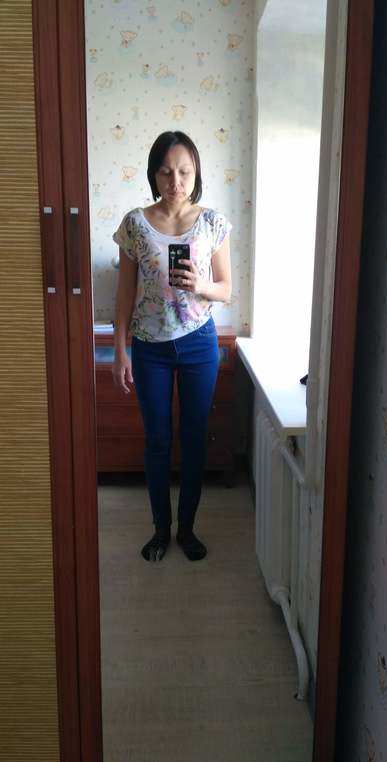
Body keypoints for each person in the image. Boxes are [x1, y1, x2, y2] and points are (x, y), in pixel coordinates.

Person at [112, 130, 232, 563]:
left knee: (195, 438)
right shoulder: (135, 223)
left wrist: (201, 284)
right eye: (165, 172)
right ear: (153, 175)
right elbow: (125, 294)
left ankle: (187, 529)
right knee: (158, 440)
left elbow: (226, 289)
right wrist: (120, 350)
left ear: (196, 173)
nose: (175, 181)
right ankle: (161, 529)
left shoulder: (213, 222)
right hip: (150, 347)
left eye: (184, 171)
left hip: (199, 342)